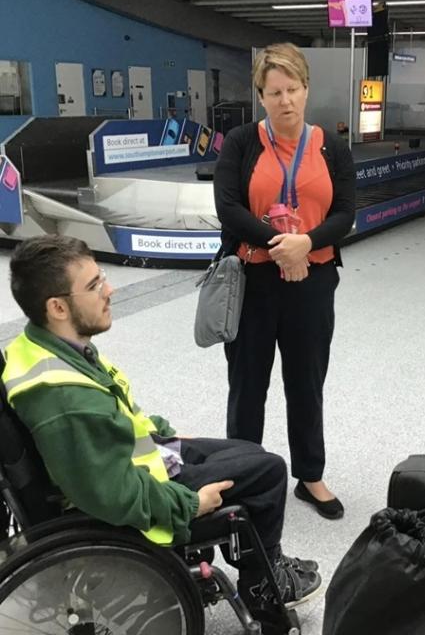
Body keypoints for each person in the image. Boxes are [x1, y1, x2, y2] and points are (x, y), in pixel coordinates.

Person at [1, 235, 320, 610]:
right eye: (94, 285)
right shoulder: (65, 402)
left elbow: (110, 414)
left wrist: (159, 432)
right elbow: (112, 495)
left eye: (101, 277)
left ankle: (262, 562)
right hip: (134, 491)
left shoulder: (43, 348)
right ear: (57, 307)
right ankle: (263, 589)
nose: (110, 289)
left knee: (248, 451)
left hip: (133, 456)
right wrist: (188, 505)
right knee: (268, 471)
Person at [214, 43, 355, 520]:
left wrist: (306, 243)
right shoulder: (240, 142)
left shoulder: (330, 146)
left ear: (306, 89)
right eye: (274, 92)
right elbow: (228, 209)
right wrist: (283, 244)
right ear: (261, 95)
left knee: (306, 379)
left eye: (292, 89)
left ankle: (309, 476)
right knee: (247, 382)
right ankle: (241, 475)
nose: (285, 100)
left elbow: (346, 214)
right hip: (253, 279)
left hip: (312, 280)